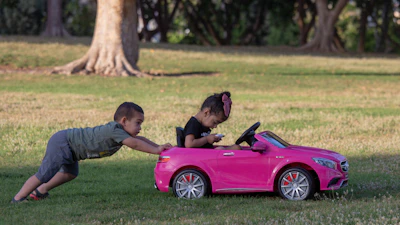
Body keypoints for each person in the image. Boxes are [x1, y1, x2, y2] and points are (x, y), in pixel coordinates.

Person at [11, 102, 172, 203]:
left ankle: (39, 191)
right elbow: (135, 144)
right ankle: (18, 198)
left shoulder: (122, 132)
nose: (140, 128)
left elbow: (140, 139)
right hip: (64, 142)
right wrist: (156, 150)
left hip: (72, 149)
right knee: (45, 173)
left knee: (70, 173)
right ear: (124, 121)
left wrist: (159, 147)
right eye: (138, 123)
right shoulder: (115, 130)